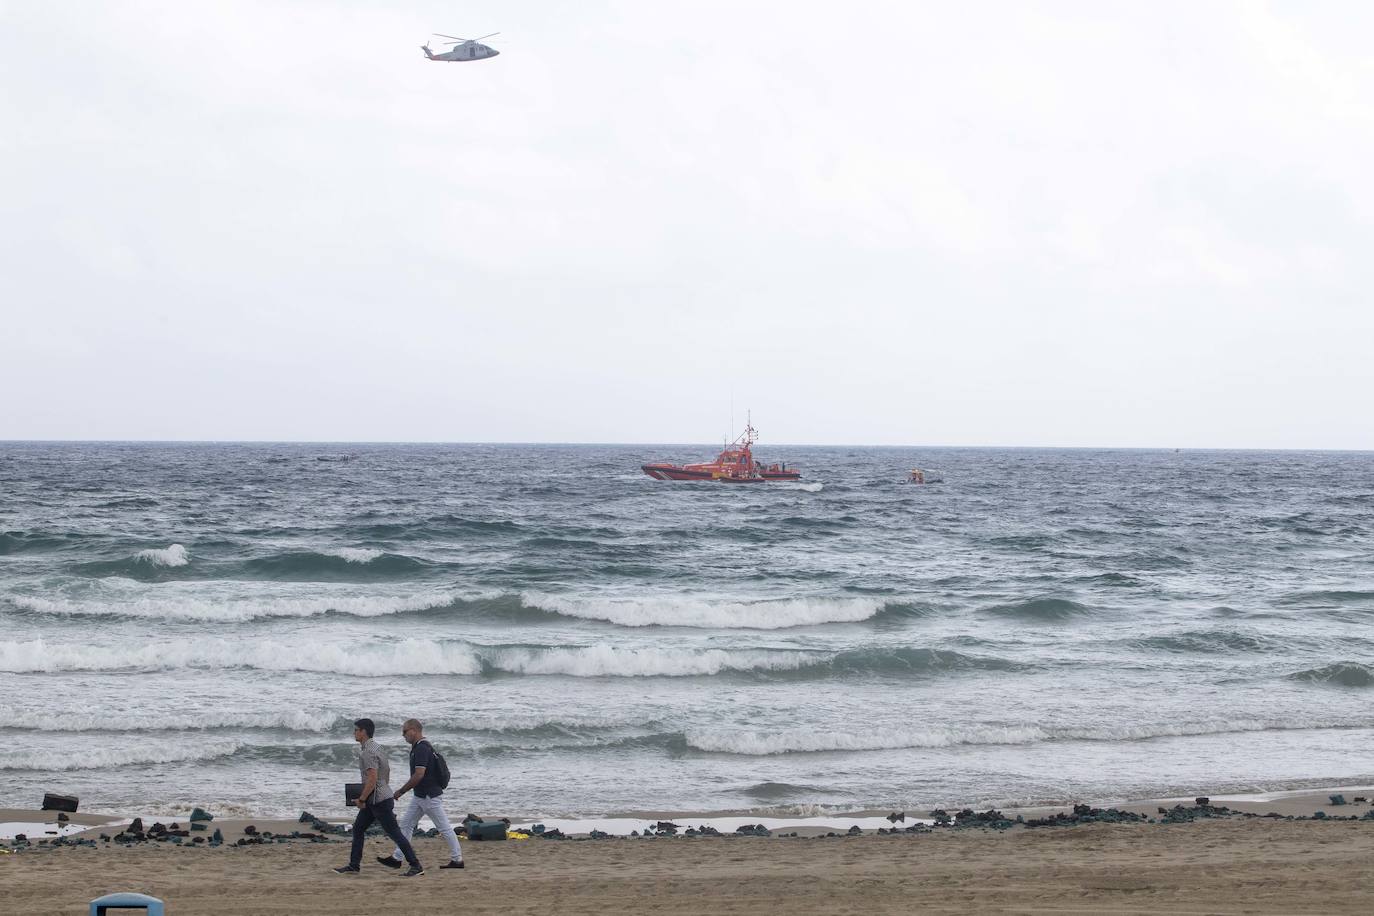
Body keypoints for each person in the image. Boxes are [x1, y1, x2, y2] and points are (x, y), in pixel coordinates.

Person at [333, 718, 424, 877]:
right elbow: (386, 772)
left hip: (378, 801)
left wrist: (361, 799)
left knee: (395, 833)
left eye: (356, 730)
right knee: (358, 828)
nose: (354, 733)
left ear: (363, 732)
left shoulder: (368, 751)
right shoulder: (377, 747)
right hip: (377, 798)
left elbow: (372, 779)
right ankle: (354, 865)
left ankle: (416, 865)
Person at [377, 718, 464, 870]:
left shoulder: (422, 748)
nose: (403, 735)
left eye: (405, 732)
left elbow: (419, 774)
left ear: (414, 731)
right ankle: (397, 858)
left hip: (428, 796)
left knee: (444, 828)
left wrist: (401, 791)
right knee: (406, 824)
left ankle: (457, 860)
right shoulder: (420, 747)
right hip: (420, 796)